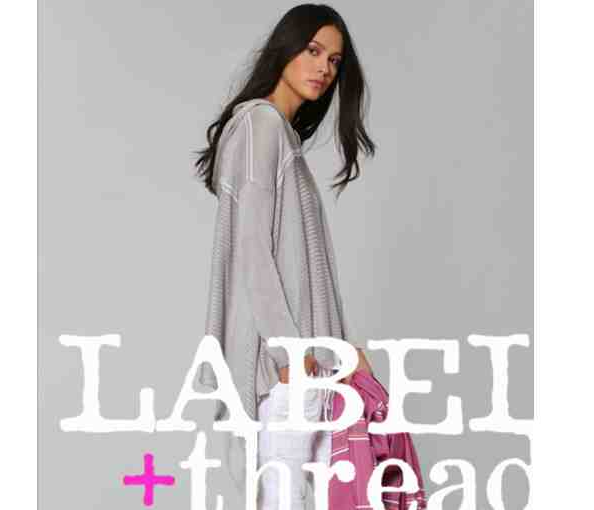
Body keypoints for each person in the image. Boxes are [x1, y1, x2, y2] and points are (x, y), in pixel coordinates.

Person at [193, 4, 376, 509]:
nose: (324, 68)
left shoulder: (279, 136)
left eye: (334, 61)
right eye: (313, 51)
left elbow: (301, 270)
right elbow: (254, 251)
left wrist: (342, 349)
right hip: (289, 369)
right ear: (285, 50)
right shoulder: (261, 126)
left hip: (307, 364)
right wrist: (290, 353)